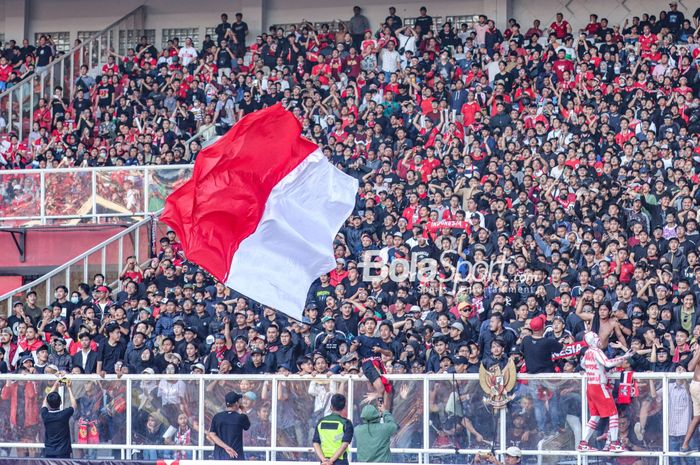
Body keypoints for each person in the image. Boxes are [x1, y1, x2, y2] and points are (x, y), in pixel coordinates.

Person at [578, 332, 634, 452]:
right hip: (599, 386)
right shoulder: (596, 351)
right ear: (593, 340)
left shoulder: (587, 352)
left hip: (590, 386)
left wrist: (594, 369)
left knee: (595, 416)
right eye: (597, 337)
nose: (599, 339)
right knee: (613, 413)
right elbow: (607, 363)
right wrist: (624, 357)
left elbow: (583, 365)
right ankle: (614, 443)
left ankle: (583, 443)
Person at [207, 391, 251, 460]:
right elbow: (247, 426)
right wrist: (243, 411)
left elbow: (212, 434)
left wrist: (226, 447)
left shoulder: (217, 417)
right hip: (235, 456)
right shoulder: (241, 417)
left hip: (219, 457)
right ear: (236, 403)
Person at [41, 378, 77, 458]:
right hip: (63, 452)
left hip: (49, 452)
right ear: (60, 402)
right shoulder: (64, 414)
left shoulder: (45, 415)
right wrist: (69, 388)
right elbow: (74, 405)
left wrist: (54, 386)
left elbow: (44, 402)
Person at [313, 393, 353, 465]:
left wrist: (324, 460)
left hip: (324, 461)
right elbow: (344, 445)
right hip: (340, 461)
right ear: (344, 407)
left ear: (331, 407)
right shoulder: (346, 423)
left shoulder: (321, 422)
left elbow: (316, 443)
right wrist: (331, 461)